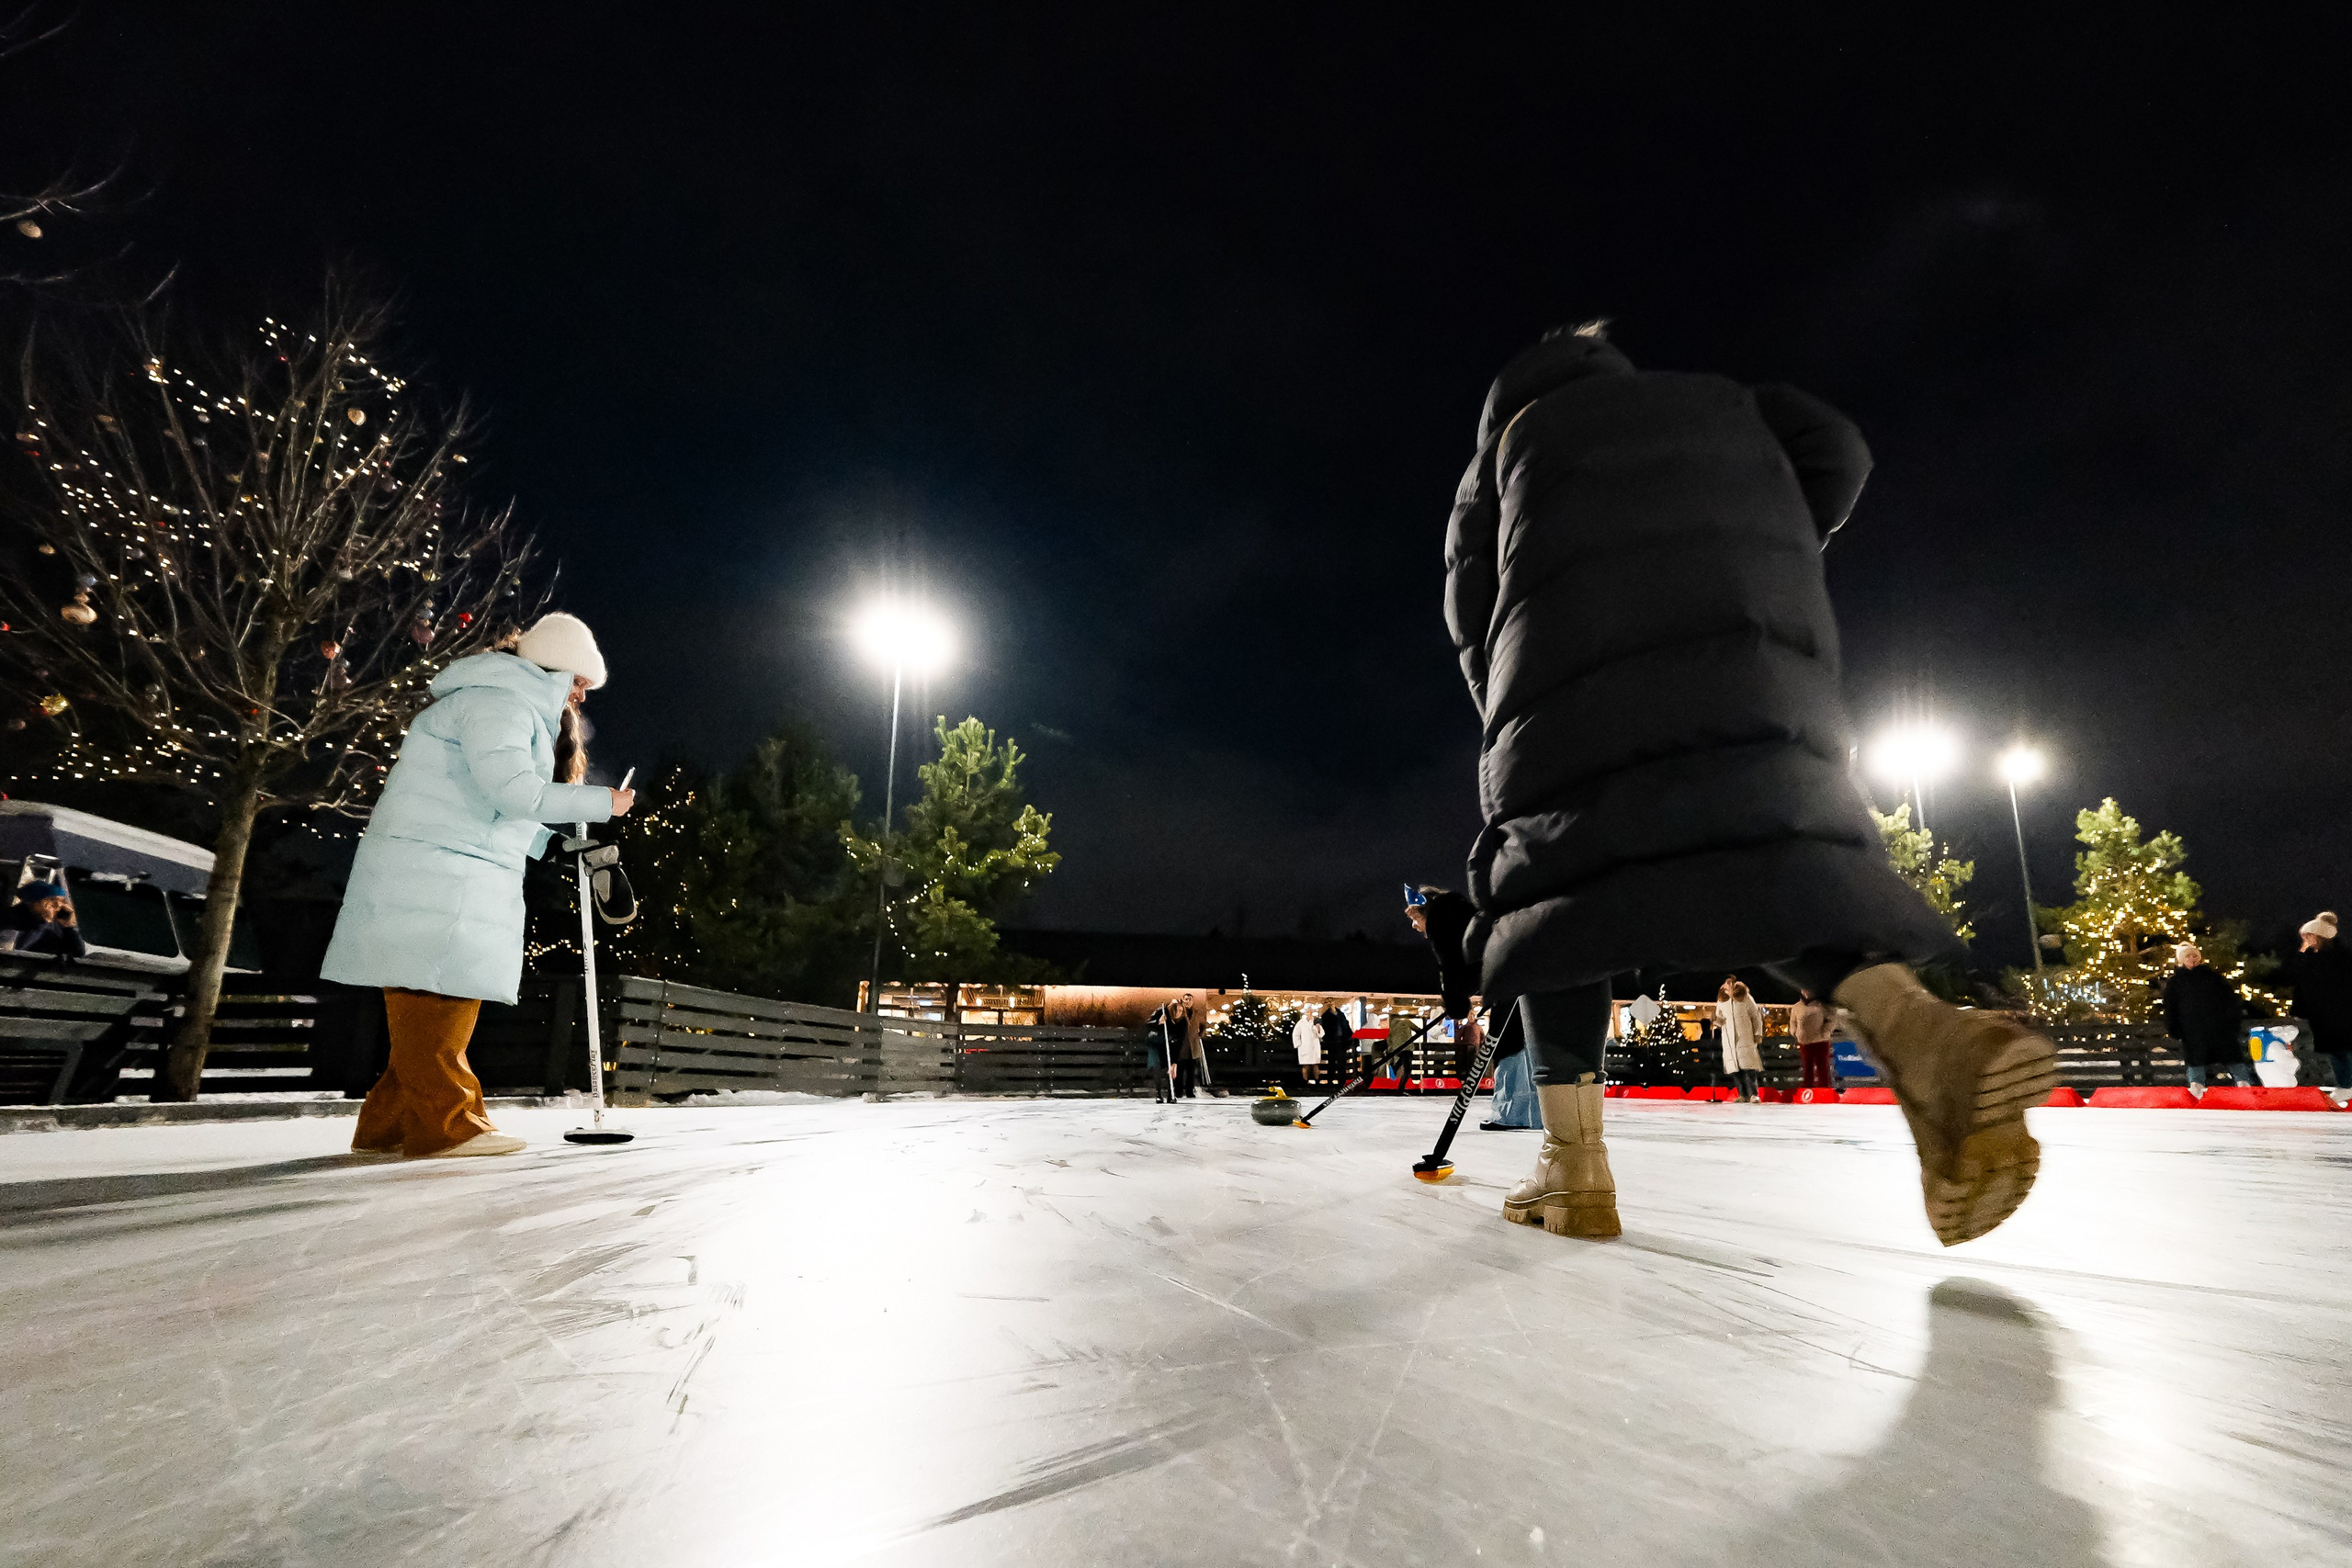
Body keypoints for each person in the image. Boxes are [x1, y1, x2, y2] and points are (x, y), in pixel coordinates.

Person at [1430, 320, 2055, 1246]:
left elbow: (1472, 616)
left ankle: (1575, 1171)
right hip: (1749, 663)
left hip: (1570, 688)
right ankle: (1925, 1037)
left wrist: (1520, 723)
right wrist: (1754, 548)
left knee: (1564, 899)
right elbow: (1834, 449)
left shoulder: (1509, 450)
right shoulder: (1720, 401)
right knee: (1772, 859)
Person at [320, 614, 634, 1157]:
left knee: (431, 1005)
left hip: (448, 864)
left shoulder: (498, 702)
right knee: (437, 996)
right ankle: (450, 1127)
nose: (581, 696)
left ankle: (386, 1129)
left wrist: (554, 845)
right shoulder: (499, 704)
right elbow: (513, 791)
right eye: (579, 682)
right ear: (555, 670)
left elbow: (486, 804)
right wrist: (603, 804)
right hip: (439, 873)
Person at [2161, 943, 2251, 1091]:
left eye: (2194, 955)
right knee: (2196, 1062)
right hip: (2192, 1029)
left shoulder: (2213, 978)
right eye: (2187, 956)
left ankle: (2244, 1085)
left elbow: (2230, 1000)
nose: (2191, 959)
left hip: (2219, 1027)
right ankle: (2196, 1089)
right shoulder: (2175, 982)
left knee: (2232, 1057)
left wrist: (2232, 1021)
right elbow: (2171, 1008)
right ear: (2181, 960)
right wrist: (2174, 1028)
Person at [2279, 912, 2352, 1090]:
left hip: (2339, 1011)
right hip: (2322, 1014)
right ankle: (2346, 1085)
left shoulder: (2338, 957)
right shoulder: (2310, 958)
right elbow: (2291, 976)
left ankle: (2347, 1086)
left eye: (2310, 935)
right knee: (2338, 1051)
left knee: (2343, 1050)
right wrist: (2302, 951)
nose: (2307, 939)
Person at [0, 880, 87, 958]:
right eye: (51, 901)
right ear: (33, 903)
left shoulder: (55, 926)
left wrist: (69, 927)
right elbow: (13, 952)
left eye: (61, 901)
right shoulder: (10, 918)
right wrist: (43, 923)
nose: (57, 906)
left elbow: (78, 955)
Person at [1716, 978, 1766, 1102]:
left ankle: (1753, 1094)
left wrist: (1758, 1033)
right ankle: (1742, 1094)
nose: (1726, 985)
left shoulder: (1745, 997)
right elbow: (1719, 1016)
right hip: (1729, 1040)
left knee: (1748, 1067)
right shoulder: (1722, 1000)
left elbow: (1755, 1015)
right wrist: (1717, 1021)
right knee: (1735, 1068)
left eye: (1728, 982)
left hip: (1745, 1038)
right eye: (1725, 983)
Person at [1791, 987, 1836, 1091]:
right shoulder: (1797, 1007)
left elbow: (1831, 1020)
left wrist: (1825, 1032)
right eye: (1804, 990)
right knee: (1807, 1065)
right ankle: (1807, 1087)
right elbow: (1793, 1022)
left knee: (1822, 1066)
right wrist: (1794, 1032)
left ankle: (1824, 1088)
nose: (1806, 992)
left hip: (1820, 1040)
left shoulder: (1822, 1005)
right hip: (1805, 1041)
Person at [1289, 1005, 1322, 1072]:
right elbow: (1295, 1034)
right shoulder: (1301, 1023)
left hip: (1314, 1048)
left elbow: (1321, 1034)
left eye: (1311, 1012)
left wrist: (1318, 1029)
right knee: (1305, 1066)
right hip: (1304, 1047)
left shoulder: (1315, 1022)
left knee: (1315, 1066)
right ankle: (1305, 1081)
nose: (1309, 1014)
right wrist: (1299, 1045)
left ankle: (1317, 1081)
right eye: (1308, 1012)